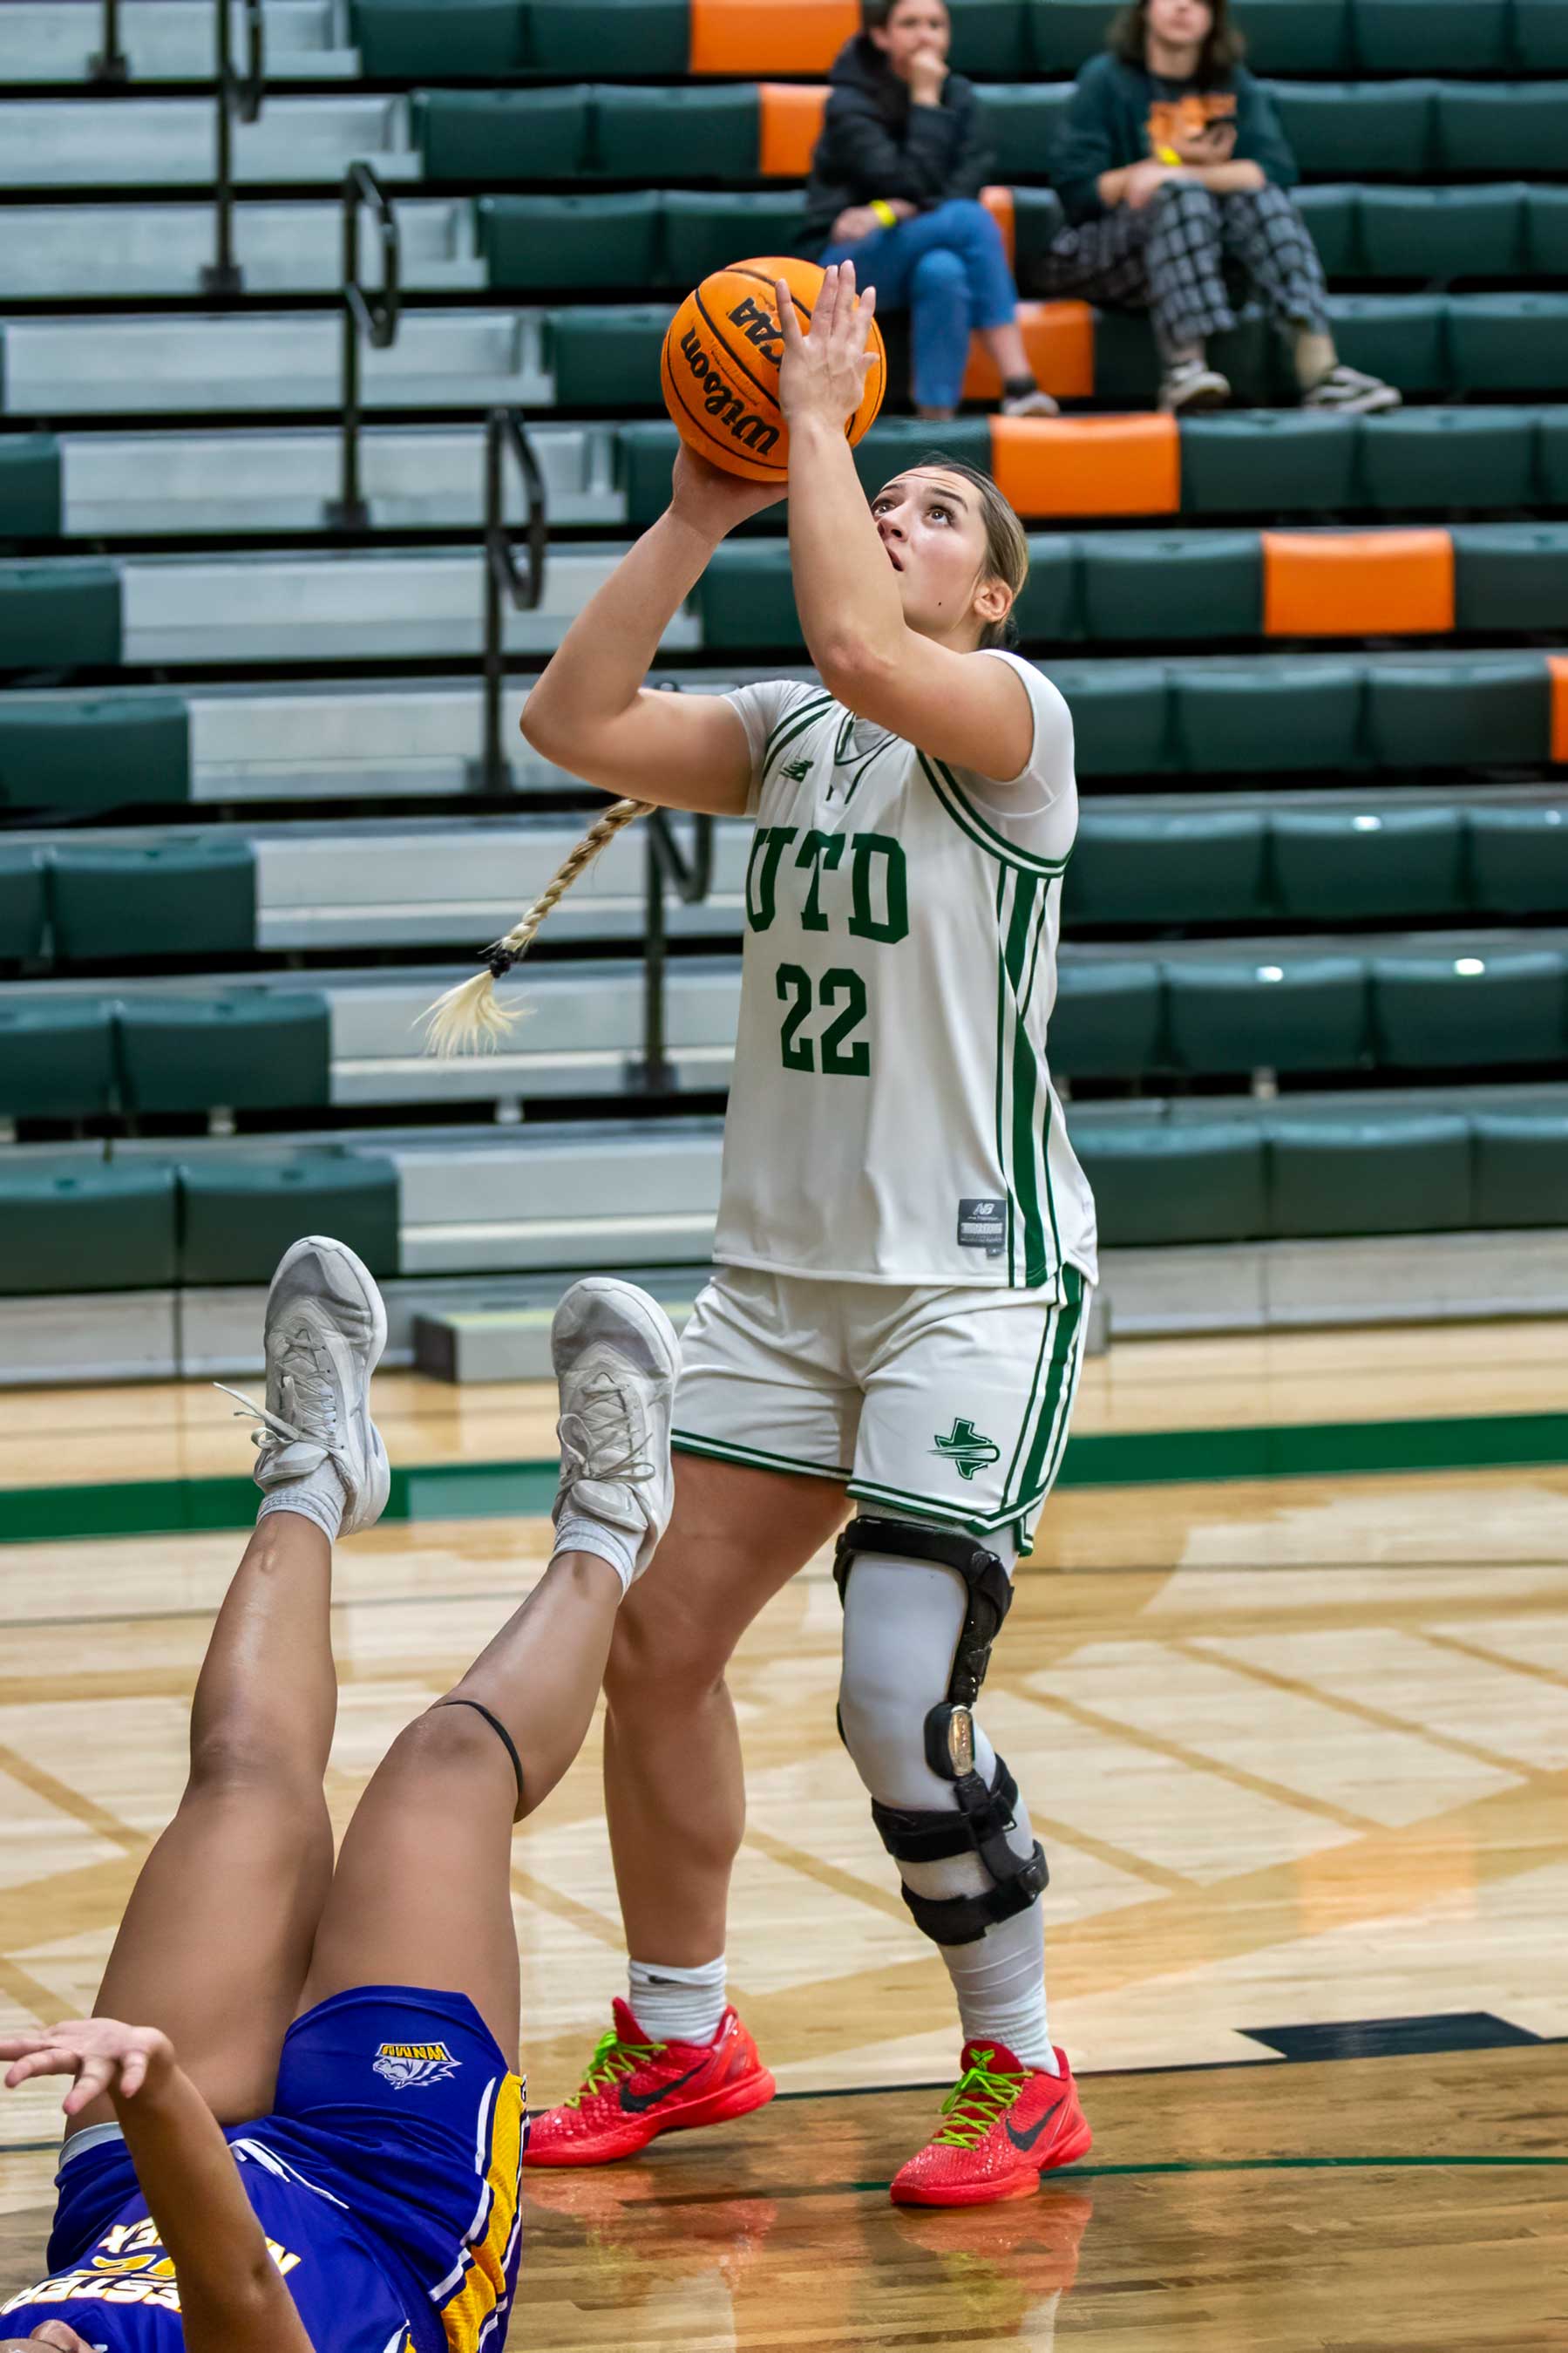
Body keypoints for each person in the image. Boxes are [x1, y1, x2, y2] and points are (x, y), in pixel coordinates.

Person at [500, 261, 1098, 2207]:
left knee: (892, 1692)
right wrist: (700, 506)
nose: (903, 513)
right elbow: (570, 716)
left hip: (968, 1281)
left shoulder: (1006, 719)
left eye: (943, 512)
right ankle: (685, 2030)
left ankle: (1021, 2059)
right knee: (655, 1642)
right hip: (778, 1286)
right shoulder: (788, 731)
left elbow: (858, 643)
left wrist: (829, 422)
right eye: (888, 494)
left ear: (989, 597)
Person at [0, 1236, 684, 2350]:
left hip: (126, 2204)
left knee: (243, 1776)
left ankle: (313, 1476)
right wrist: (157, 2088)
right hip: (387, 2206)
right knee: (443, 1763)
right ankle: (613, 1527)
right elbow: (239, 2288)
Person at [1042, 0, 1402, 415]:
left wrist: (1177, 172)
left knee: (1259, 200)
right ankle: (1184, 368)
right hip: (1105, 258)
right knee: (1183, 197)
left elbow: (1271, 172)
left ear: (1214, 17)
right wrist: (1145, 176)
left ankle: (1320, 371)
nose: (1183, 7)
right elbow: (1077, 190)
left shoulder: (1232, 82)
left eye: (1199, 2)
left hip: (1207, 262)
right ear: (1144, 9)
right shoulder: (1105, 78)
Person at [802, 0, 1060, 421]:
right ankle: (1019, 383)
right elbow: (903, 183)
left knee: (944, 271)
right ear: (880, 35)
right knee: (972, 221)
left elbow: (964, 186)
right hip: (841, 263)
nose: (925, 35)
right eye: (910, 24)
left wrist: (888, 211)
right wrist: (925, 100)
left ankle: (935, 421)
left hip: (917, 243)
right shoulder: (849, 101)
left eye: (936, 25)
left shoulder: (962, 96)